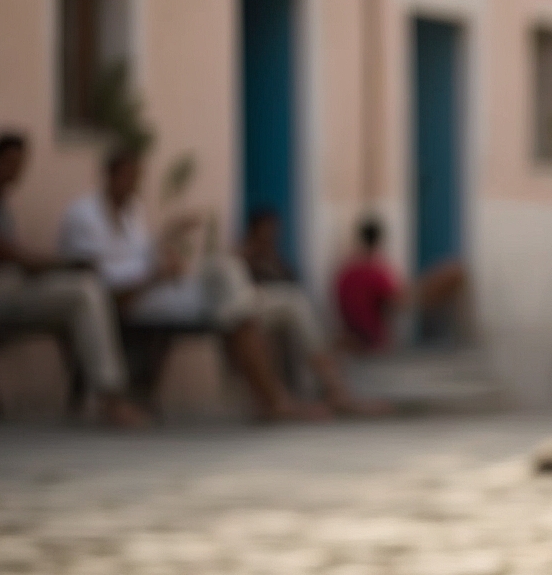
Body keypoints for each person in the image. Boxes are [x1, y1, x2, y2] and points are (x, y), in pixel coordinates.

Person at [57, 146, 321, 422]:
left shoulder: (132, 211)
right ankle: (275, 399)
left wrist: (167, 250)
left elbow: (140, 257)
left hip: (165, 291)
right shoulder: (83, 215)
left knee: (225, 272)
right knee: (236, 305)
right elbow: (103, 287)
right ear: (110, 174)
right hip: (141, 299)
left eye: (138, 177)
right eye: (130, 176)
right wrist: (155, 276)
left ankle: (277, 393)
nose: (135, 184)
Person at [0, 131, 147, 426]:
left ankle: (92, 395)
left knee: (86, 304)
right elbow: (5, 254)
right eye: (10, 162)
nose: (16, 170)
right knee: (84, 292)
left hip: (10, 291)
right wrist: (63, 264)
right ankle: (111, 396)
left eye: (20, 163)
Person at [238, 209, 384, 414]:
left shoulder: (274, 258)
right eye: (266, 230)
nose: (271, 235)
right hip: (256, 311)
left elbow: (290, 281)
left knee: (307, 326)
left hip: (275, 315)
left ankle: (329, 388)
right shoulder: (244, 256)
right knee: (299, 312)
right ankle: (334, 390)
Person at [334, 215, 465, 352]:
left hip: (354, 332)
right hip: (371, 339)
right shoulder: (374, 271)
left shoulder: (346, 271)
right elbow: (399, 300)